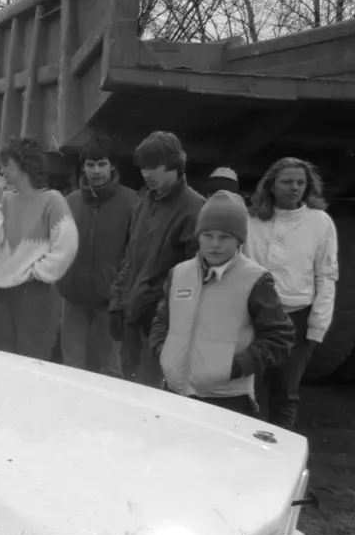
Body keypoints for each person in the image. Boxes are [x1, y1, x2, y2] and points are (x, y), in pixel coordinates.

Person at [150, 191, 295, 416]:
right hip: (174, 392)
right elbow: (162, 320)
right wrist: (164, 352)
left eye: (225, 237)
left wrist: (234, 367)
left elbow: (279, 337)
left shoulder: (256, 280)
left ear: (239, 240)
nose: (215, 244)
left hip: (227, 399)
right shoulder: (179, 273)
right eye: (207, 235)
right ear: (198, 236)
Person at [244, 157, 340, 429]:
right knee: (246, 389)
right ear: (271, 185)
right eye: (287, 182)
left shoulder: (320, 222)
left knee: (285, 393)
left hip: (294, 320)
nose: (294, 188)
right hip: (252, 316)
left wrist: (317, 326)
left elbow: (326, 274)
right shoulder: (251, 219)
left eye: (300, 183)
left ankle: (279, 449)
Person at [109, 131, 206, 387]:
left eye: (155, 166)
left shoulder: (195, 209)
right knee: (127, 384)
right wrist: (117, 303)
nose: (147, 173)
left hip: (164, 323)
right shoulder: (143, 204)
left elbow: (197, 274)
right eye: (143, 167)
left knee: (152, 391)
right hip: (133, 316)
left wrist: (163, 311)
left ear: (175, 165)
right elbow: (130, 259)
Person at [0, 136, 79, 360]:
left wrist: (37, 273)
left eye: (6, 164)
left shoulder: (52, 200)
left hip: (31, 293)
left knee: (31, 358)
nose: (1, 170)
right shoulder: (5, 200)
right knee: (0, 359)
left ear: (24, 164)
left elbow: (67, 245)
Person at [56, 136, 139, 376]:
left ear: (113, 166)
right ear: (83, 167)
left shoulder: (132, 203)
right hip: (73, 296)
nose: (96, 171)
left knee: (112, 370)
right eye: (90, 165)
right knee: (71, 367)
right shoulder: (69, 203)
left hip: (111, 301)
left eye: (102, 164)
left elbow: (135, 253)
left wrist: (122, 291)